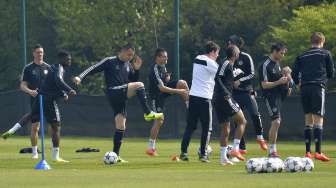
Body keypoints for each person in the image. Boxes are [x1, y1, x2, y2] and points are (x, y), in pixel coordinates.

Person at [73, 43, 163, 163]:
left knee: (121, 126)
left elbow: (133, 81)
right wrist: (80, 77)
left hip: (121, 96)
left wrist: (136, 70)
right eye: (129, 54)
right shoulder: (110, 61)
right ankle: (147, 112)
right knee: (140, 85)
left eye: (132, 55)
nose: (130, 57)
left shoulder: (128, 65)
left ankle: (116, 155)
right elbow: (93, 68)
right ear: (122, 51)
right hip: (113, 92)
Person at [2, 44, 50, 160]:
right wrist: (30, 91)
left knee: (54, 125)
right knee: (35, 127)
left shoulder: (48, 68)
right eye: (38, 52)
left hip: (48, 99)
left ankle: (55, 152)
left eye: (42, 52)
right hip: (35, 99)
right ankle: (35, 152)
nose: (40, 54)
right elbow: (22, 86)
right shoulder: (28, 68)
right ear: (33, 53)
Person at [292, 32, 334, 161]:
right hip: (317, 87)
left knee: (308, 119)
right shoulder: (325, 53)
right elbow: (331, 72)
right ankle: (318, 152)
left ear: (311, 41)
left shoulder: (302, 55)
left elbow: (294, 73)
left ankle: (307, 152)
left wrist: (298, 83)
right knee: (318, 119)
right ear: (322, 41)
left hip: (304, 88)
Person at [31, 50, 76, 162]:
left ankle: (47, 154)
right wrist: (69, 90)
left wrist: (63, 93)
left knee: (48, 125)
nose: (69, 61)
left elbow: (53, 84)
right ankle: (55, 157)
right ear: (61, 59)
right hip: (48, 100)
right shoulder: (59, 68)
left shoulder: (53, 67)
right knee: (56, 127)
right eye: (67, 59)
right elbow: (58, 80)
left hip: (42, 97)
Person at [226, 35, 267, 155]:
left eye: (230, 43)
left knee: (255, 114)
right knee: (237, 120)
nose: (228, 45)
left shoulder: (246, 57)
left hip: (247, 92)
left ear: (237, 44)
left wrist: (240, 81)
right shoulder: (227, 60)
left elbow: (252, 75)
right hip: (234, 94)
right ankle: (242, 147)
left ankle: (260, 137)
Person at [180, 41, 220, 163]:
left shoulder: (197, 58)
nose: (217, 56)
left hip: (193, 97)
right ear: (212, 52)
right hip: (204, 98)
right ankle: (203, 155)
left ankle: (183, 153)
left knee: (190, 126)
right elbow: (223, 73)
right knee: (207, 128)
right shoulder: (212, 63)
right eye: (217, 53)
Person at [146, 48, 189, 156]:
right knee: (160, 119)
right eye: (164, 57)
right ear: (158, 57)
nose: (166, 59)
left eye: (167, 57)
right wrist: (179, 92)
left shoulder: (163, 67)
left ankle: (190, 107)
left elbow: (166, 82)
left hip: (163, 92)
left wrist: (167, 78)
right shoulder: (154, 69)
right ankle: (151, 148)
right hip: (157, 96)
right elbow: (161, 88)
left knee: (182, 83)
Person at [214, 45, 247, 165]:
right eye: (238, 51)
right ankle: (235, 150)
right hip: (224, 98)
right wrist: (226, 93)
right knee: (242, 121)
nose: (240, 53)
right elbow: (218, 77)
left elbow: (226, 80)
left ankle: (223, 159)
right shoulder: (226, 62)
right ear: (234, 54)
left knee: (225, 128)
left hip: (219, 99)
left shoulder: (230, 65)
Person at [258, 43, 292, 158]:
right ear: (274, 51)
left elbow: (283, 81)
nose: (283, 55)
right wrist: (279, 82)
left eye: (284, 53)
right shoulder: (265, 65)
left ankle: (272, 150)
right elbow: (264, 85)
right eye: (281, 53)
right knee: (276, 121)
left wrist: (287, 81)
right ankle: (272, 151)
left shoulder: (277, 64)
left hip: (279, 96)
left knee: (277, 121)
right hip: (270, 96)